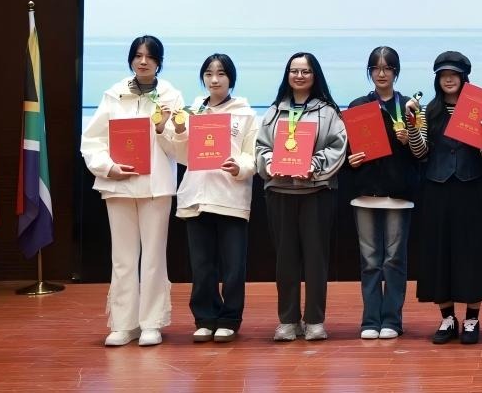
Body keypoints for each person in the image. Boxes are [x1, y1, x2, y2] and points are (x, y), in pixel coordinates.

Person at [80, 35, 185, 347]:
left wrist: (164, 128)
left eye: (150, 56)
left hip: (156, 187)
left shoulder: (171, 96)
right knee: (123, 258)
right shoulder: (114, 95)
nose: (143, 61)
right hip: (119, 185)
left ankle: (151, 322)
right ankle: (124, 324)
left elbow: (181, 150)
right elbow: (92, 141)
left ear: (159, 62)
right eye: (138, 55)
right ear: (130, 59)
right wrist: (108, 167)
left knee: (153, 257)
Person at [407, 50, 482, 345]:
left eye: (454, 75)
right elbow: (420, 152)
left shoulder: (481, 110)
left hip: (472, 189)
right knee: (440, 253)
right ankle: (447, 318)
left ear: (464, 78)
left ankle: (472, 318)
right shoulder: (428, 111)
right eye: (443, 75)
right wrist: (412, 126)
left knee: (473, 254)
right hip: (437, 189)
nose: (448, 79)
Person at [255, 52, 347, 342]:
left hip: (316, 193)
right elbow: (261, 147)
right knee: (285, 260)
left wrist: (313, 165)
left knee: (316, 259)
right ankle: (288, 320)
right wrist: (270, 162)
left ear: (314, 75)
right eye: (294, 71)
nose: (299, 76)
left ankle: (315, 320)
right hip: (280, 192)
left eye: (305, 71)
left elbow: (338, 147)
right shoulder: (274, 111)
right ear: (287, 75)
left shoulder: (328, 112)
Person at [169, 53, 257, 343]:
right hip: (196, 196)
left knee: (233, 266)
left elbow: (251, 155)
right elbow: (182, 156)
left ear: (231, 78)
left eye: (221, 74)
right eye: (208, 74)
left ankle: (230, 319)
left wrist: (239, 167)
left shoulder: (245, 113)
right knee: (202, 265)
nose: (214, 80)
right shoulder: (192, 111)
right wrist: (179, 130)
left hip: (230, 197)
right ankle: (205, 318)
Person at [345, 46, 419, 339]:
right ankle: (370, 320)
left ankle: (392, 319)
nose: (381, 73)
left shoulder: (409, 106)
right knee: (370, 261)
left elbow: (422, 153)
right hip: (365, 193)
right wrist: (350, 161)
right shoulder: (358, 106)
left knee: (394, 260)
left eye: (387, 68)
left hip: (398, 194)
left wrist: (409, 138)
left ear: (396, 72)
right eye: (376, 68)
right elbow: (349, 150)